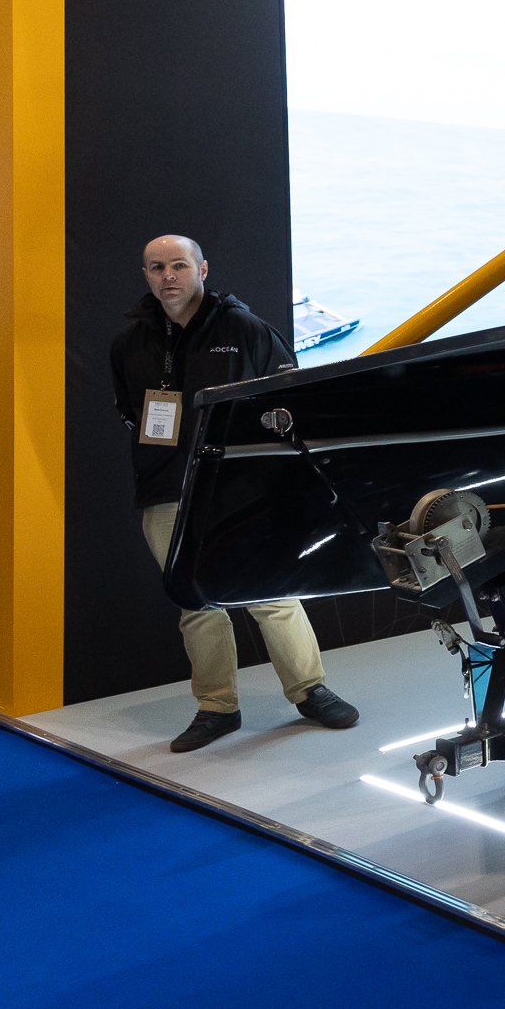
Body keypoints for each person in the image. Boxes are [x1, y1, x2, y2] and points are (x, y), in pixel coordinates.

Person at [111, 235, 359, 753]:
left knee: (270, 592)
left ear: (202, 269)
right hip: (166, 489)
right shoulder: (130, 341)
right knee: (194, 602)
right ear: (146, 274)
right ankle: (217, 707)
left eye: (178, 265)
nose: (168, 276)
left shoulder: (243, 329)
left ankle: (309, 690)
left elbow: (291, 397)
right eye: (156, 267)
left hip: (241, 489)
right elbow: (130, 411)